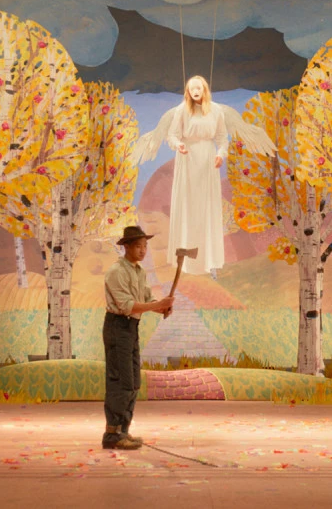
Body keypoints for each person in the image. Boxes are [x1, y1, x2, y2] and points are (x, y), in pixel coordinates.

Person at [102, 225, 174, 450]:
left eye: (145, 246)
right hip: (118, 326)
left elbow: (146, 299)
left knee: (133, 381)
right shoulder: (116, 272)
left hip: (132, 327)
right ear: (126, 247)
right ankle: (112, 435)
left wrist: (161, 307)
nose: (143, 250)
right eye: (138, 246)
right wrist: (157, 304)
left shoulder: (139, 272)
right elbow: (127, 305)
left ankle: (123, 430)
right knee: (121, 380)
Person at [166, 75, 228, 274]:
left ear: (204, 90)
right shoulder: (182, 110)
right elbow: (172, 135)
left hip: (208, 161)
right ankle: (186, 261)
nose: (195, 91)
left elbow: (222, 138)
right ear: (188, 91)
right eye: (191, 88)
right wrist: (179, 145)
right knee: (188, 205)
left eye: (198, 88)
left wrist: (220, 154)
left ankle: (208, 260)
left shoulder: (216, 110)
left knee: (206, 206)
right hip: (188, 160)